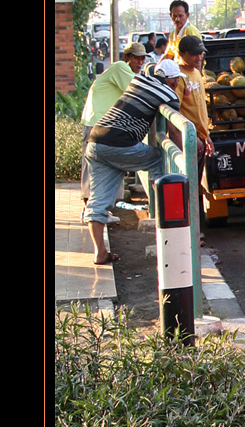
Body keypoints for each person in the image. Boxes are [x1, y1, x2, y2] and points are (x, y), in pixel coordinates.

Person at [84, 60, 183, 265]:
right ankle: (161, 209)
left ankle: (100, 253)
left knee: (98, 202)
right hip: (118, 145)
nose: (176, 84)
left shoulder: (139, 80)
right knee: (158, 157)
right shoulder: (169, 95)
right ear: (170, 80)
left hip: (95, 142)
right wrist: (185, 158)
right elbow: (174, 132)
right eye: (176, 80)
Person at [79, 42, 148, 212]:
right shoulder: (120, 67)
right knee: (93, 169)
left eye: (142, 59)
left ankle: (101, 210)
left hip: (105, 125)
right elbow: (139, 90)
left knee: (107, 168)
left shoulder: (123, 71)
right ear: (126, 58)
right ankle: (91, 210)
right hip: (96, 123)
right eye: (136, 58)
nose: (139, 63)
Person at [173, 34, 215, 162]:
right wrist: (191, 137)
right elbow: (176, 111)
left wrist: (206, 135)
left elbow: (200, 107)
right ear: (181, 54)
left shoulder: (197, 73)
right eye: (194, 54)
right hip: (188, 138)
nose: (199, 57)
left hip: (200, 138)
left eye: (201, 53)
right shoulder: (178, 77)